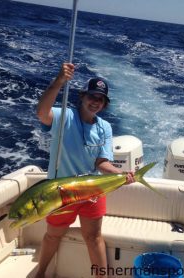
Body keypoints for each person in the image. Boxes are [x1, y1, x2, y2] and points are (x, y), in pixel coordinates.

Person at [35, 63, 135, 278]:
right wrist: (59, 81)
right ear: (82, 97)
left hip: (91, 191)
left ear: (104, 104)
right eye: (92, 96)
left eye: (100, 99)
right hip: (59, 192)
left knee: (94, 237)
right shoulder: (64, 117)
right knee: (52, 236)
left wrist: (120, 175)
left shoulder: (105, 127)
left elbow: (101, 162)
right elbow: (42, 113)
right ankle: (40, 273)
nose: (95, 102)